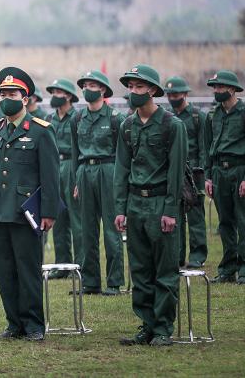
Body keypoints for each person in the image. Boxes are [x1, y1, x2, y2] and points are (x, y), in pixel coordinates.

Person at [0, 67, 59, 341]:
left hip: (27, 213)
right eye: (3, 94)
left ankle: (34, 326)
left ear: (25, 98)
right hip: (0, 212)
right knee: (5, 273)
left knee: (28, 271)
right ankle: (14, 324)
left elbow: (51, 176)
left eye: (12, 94)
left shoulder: (40, 132)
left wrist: (49, 212)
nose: (6, 98)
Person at [115, 64, 187, 346]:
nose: (133, 92)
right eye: (130, 87)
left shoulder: (172, 125)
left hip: (160, 203)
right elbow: (121, 169)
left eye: (139, 87)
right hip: (135, 203)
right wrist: (120, 208)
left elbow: (176, 172)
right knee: (141, 269)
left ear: (153, 91)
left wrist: (170, 211)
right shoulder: (127, 125)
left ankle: (163, 329)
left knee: (165, 269)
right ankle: (146, 325)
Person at [71, 70, 125, 295]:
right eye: (85, 85)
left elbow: (122, 155)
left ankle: (114, 283)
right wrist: (76, 180)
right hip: (85, 171)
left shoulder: (115, 118)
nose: (87, 90)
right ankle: (90, 282)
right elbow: (75, 153)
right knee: (86, 230)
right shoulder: (77, 118)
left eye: (92, 85)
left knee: (112, 230)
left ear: (103, 89)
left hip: (108, 171)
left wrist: (121, 183)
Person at [204, 70, 245, 285]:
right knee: (225, 222)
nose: (216, 90)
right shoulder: (213, 114)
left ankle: (244, 269)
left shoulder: (243, 111)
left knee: (243, 220)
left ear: (231, 88)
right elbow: (207, 147)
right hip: (219, 171)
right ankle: (228, 269)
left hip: (240, 169)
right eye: (214, 87)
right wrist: (208, 177)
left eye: (220, 87)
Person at [164, 76, 208, 268]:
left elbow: (204, 147)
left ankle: (198, 255)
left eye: (176, 94)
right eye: (170, 94)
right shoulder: (167, 117)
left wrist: (204, 173)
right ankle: (178, 255)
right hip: (175, 172)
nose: (173, 97)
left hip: (194, 173)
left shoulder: (198, 117)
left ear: (185, 94)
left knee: (196, 215)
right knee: (176, 215)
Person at [45, 79, 82, 276]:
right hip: (54, 167)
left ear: (68, 96)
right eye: (53, 92)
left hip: (71, 165)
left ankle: (81, 263)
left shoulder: (77, 117)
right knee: (56, 218)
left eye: (58, 92)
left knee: (77, 219)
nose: (54, 96)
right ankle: (62, 265)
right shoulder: (49, 118)